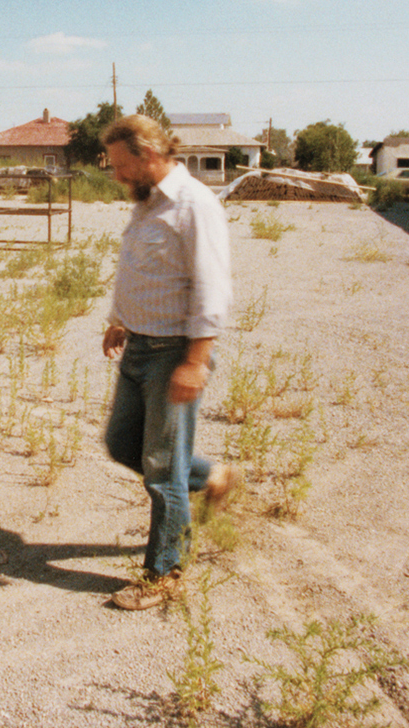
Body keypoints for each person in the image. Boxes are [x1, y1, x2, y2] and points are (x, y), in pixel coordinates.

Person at [99, 114, 233, 611]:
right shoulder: (148, 204)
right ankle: (210, 476)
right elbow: (144, 272)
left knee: (160, 468)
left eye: (120, 164)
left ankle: (164, 574)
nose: (116, 175)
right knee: (120, 443)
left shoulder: (195, 205)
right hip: (139, 347)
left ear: (148, 154)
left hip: (173, 353)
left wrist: (195, 361)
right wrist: (121, 319)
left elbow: (212, 290)